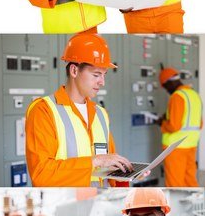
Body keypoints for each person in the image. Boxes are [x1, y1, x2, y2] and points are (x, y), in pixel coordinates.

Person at [25, 33, 132, 189]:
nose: (102, 82)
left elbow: (110, 170)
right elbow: (41, 175)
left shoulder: (101, 114)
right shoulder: (43, 110)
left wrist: (127, 174)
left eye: (104, 75)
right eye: (96, 74)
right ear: (74, 71)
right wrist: (94, 161)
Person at [158, 66, 203, 187]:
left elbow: (174, 126)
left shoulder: (177, 96)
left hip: (175, 147)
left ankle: (176, 205)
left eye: (165, 87)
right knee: (189, 179)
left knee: (175, 183)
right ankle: (194, 203)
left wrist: (161, 123)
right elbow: (200, 123)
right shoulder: (194, 95)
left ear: (168, 83)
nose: (167, 91)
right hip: (191, 144)